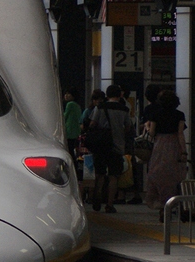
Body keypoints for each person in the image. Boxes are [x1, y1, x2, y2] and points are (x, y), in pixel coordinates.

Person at [87, 84, 133, 213]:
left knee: (100, 173)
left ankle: (97, 197)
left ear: (107, 95)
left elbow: (92, 124)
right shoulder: (124, 109)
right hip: (117, 146)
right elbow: (128, 127)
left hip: (101, 145)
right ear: (120, 95)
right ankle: (110, 204)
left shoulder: (100, 107)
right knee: (114, 176)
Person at [144, 89, 188, 221]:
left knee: (158, 175)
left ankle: (162, 207)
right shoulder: (179, 115)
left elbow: (151, 133)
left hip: (159, 147)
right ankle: (174, 205)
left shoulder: (156, 114)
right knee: (174, 177)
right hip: (174, 146)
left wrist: (147, 127)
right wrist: (184, 151)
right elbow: (180, 134)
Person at [63, 89, 82, 163]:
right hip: (76, 131)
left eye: (68, 94)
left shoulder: (70, 104)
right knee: (73, 150)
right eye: (65, 93)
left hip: (69, 131)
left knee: (69, 150)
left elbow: (65, 117)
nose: (66, 95)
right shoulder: (77, 105)